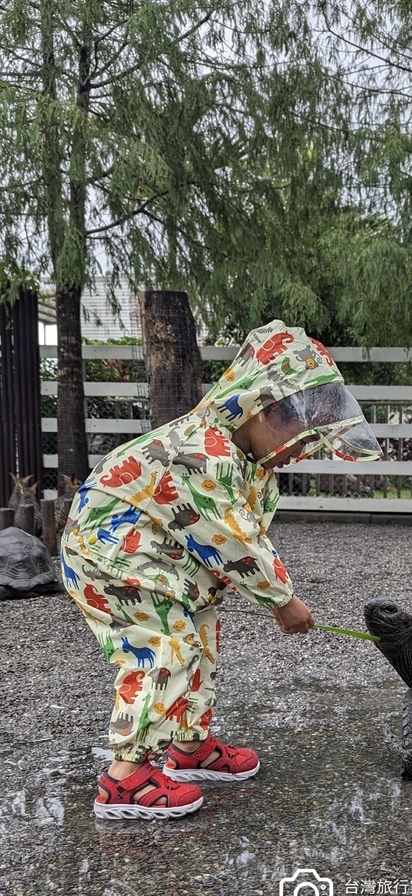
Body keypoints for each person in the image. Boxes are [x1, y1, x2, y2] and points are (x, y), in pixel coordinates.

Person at [61, 320, 382, 820]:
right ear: (263, 408)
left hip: (167, 560)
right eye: (301, 437)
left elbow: (237, 532)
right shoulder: (202, 450)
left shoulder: (250, 463)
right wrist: (282, 600)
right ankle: (123, 779)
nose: (302, 453)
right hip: (113, 557)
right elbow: (234, 539)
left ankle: (189, 746)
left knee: (202, 643)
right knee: (164, 648)